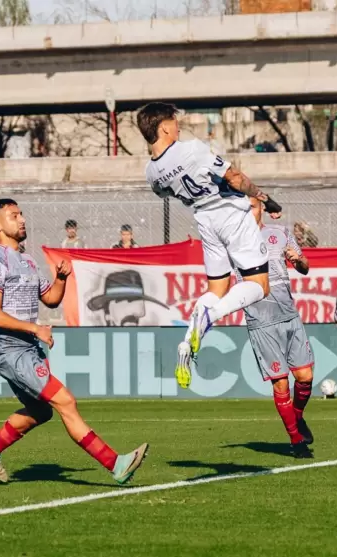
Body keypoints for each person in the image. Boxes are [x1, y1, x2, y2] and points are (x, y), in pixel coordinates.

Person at [0, 198, 148, 485]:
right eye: (13, 215)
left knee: (41, 412)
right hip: (9, 349)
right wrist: (36, 328)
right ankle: (115, 463)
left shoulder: (27, 260)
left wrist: (62, 278)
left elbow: (51, 299)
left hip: (26, 347)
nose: (22, 219)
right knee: (65, 400)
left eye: (21, 214)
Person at [137, 102, 279, 388]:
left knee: (216, 288)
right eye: (174, 121)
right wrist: (263, 197)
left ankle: (186, 344)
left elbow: (164, 191)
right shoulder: (191, 149)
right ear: (163, 127)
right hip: (230, 214)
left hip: (204, 220)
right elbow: (233, 176)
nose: (178, 126)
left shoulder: (151, 172)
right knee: (259, 285)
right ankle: (209, 316)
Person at [242, 197, 314, 458]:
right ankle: (296, 441)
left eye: (251, 206)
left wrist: (298, 260)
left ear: (261, 208)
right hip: (261, 320)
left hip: (289, 314)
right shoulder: (233, 241)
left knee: (305, 377)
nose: (248, 211)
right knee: (281, 383)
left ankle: (297, 417)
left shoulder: (281, 233)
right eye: (244, 207)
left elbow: (305, 267)